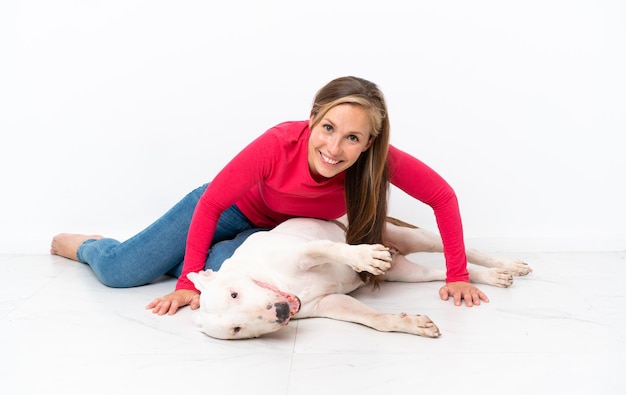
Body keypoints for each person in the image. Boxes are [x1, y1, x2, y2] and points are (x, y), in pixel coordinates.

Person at [50, 76, 488, 315]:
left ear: (369, 143)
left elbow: (442, 196)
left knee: (215, 276)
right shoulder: (278, 143)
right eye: (329, 129)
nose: (335, 149)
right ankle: (90, 245)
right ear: (313, 119)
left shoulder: (379, 161)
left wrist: (457, 276)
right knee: (125, 272)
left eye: (353, 138)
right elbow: (212, 204)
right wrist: (186, 286)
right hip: (229, 210)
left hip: (273, 236)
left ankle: (177, 261)